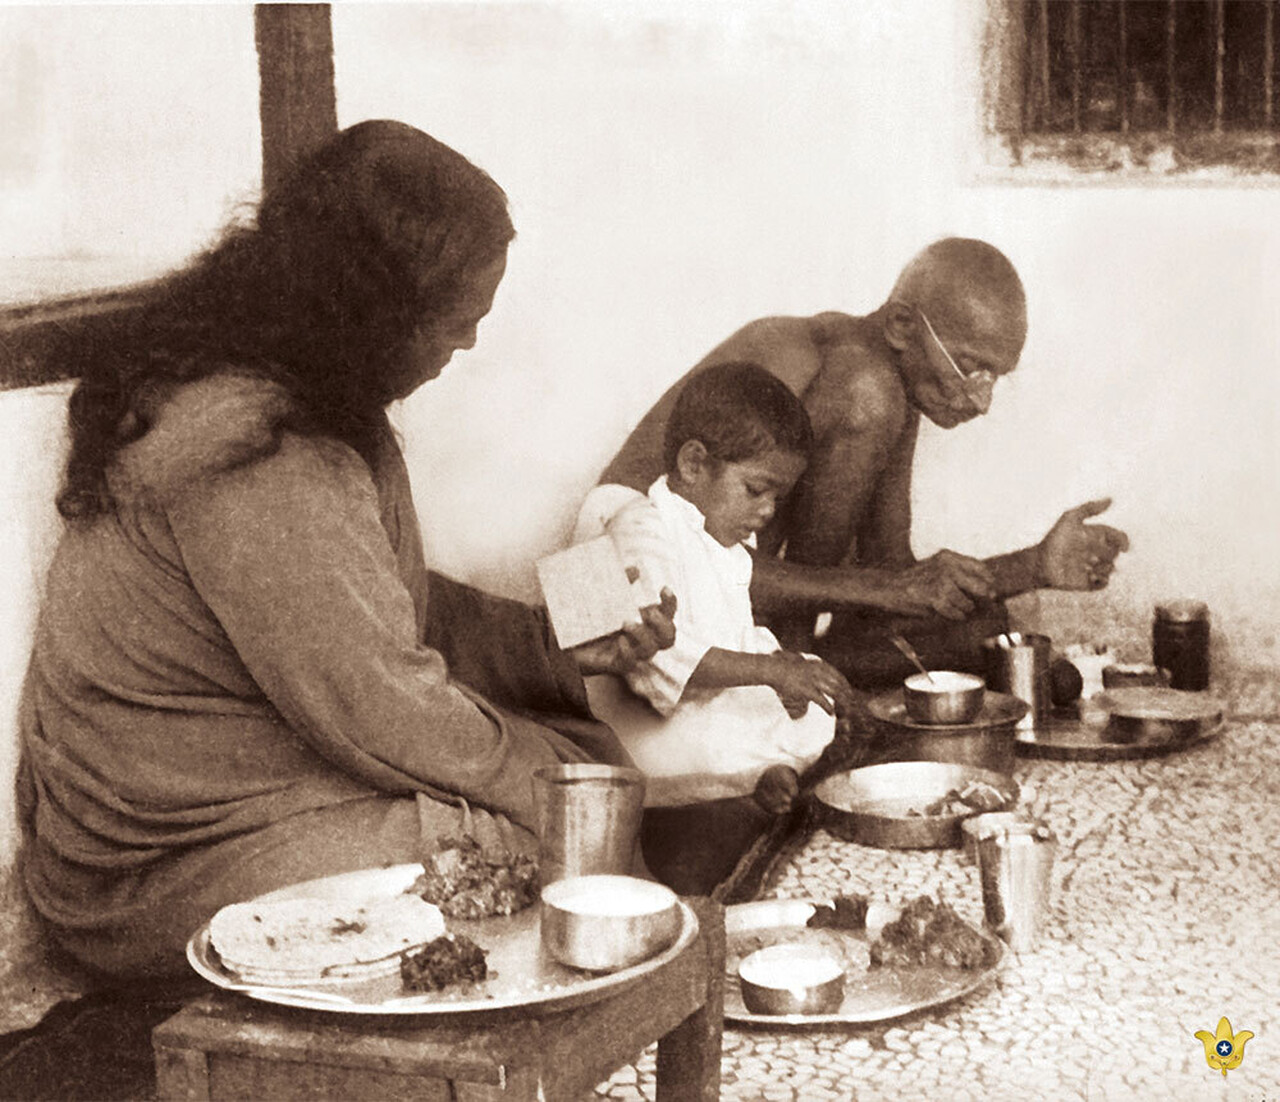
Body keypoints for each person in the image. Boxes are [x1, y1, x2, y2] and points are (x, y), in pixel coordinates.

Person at [15, 119, 676, 980]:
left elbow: (377, 607)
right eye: (455, 320)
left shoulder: (299, 392)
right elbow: (381, 703)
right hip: (154, 861)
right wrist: (558, 784)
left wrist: (566, 635)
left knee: (577, 773)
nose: (468, 342)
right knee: (551, 830)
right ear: (372, 312)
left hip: (263, 783)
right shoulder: (254, 451)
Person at [597, 237, 1130, 688]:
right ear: (902, 325)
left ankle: (798, 669)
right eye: (970, 368)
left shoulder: (894, 389)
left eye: (996, 377)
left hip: (727, 605)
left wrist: (1032, 566)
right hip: (629, 578)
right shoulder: (849, 378)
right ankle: (792, 671)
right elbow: (705, 561)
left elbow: (892, 577)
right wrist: (884, 592)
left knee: (983, 628)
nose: (981, 400)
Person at [574, 362, 856, 816]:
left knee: (810, 689)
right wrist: (770, 672)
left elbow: (738, 639)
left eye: (777, 499)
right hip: (640, 724)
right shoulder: (639, 528)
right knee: (716, 736)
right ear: (694, 463)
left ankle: (767, 774)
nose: (767, 511)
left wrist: (785, 673)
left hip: (705, 702)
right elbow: (657, 665)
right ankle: (758, 778)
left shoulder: (722, 542)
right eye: (756, 490)